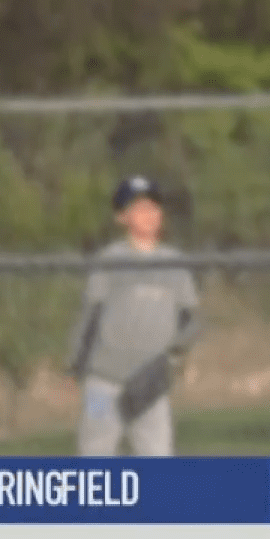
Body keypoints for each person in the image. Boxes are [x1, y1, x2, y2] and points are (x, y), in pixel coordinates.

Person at [66, 175, 201, 456]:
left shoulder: (174, 263)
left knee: (157, 458)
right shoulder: (110, 259)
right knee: (95, 455)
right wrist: (77, 363)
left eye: (154, 208)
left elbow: (191, 320)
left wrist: (173, 357)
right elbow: (91, 315)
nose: (149, 215)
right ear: (122, 217)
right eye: (139, 209)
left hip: (150, 383)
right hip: (104, 380)